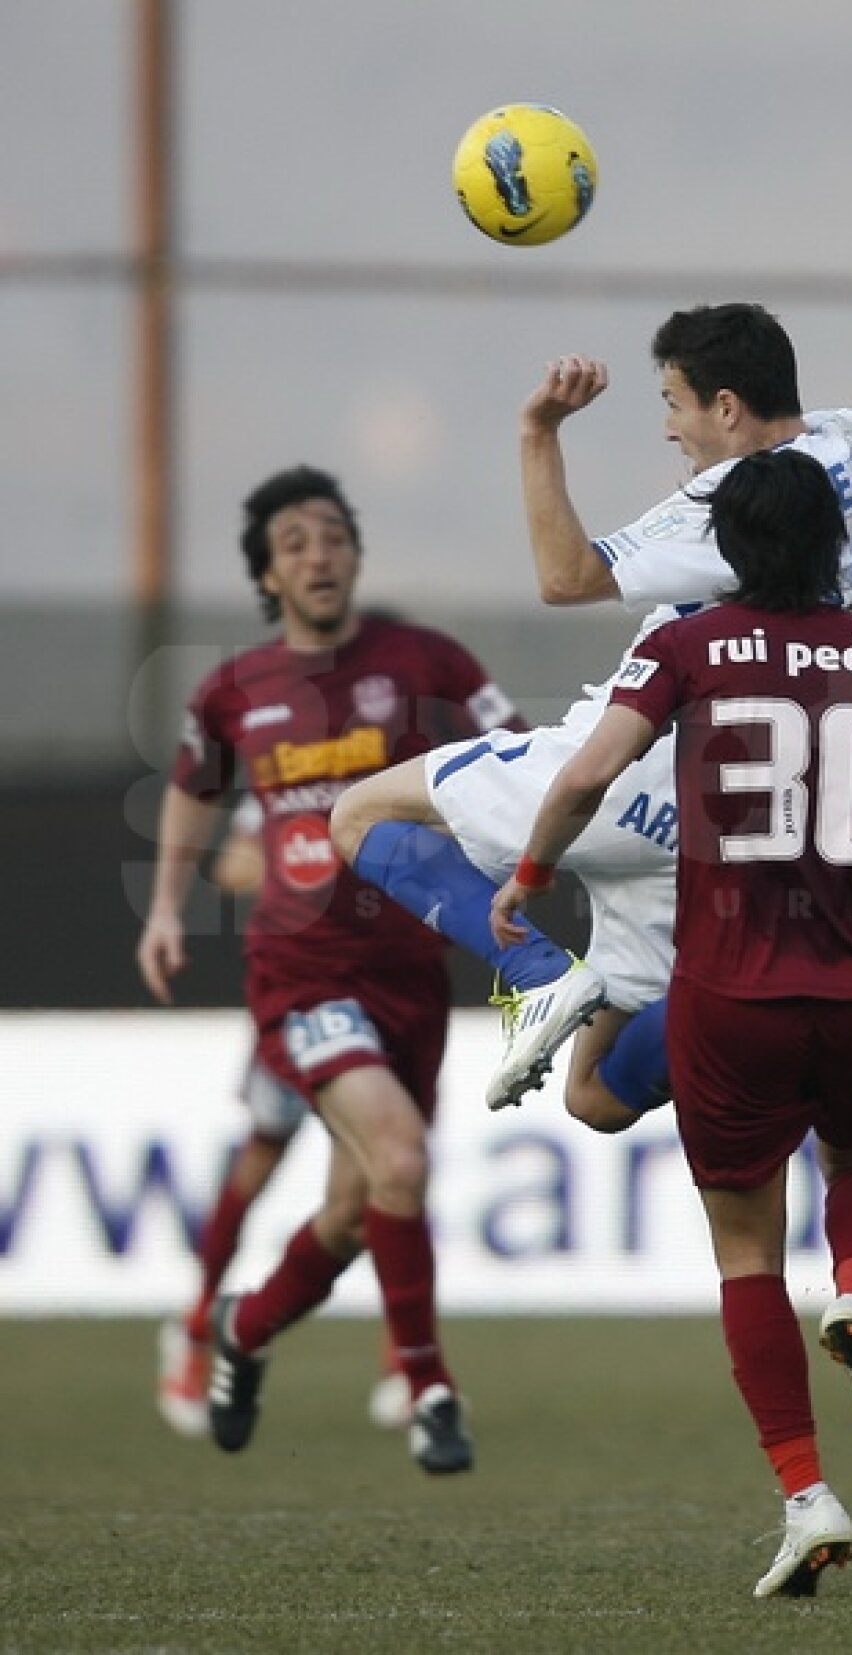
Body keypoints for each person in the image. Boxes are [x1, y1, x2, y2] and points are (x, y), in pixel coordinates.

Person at [488, 448, 852, 1599]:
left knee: (746, 1250)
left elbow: (590, 773)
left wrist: (535, 870)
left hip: (734, 990)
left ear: (733, 549)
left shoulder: (685, 646)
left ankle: (806, 1494)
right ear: (832, 547)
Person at [331, 303, 852, 1121]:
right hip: (713, 810)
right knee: (595, 1094)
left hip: (630, 766)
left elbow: (565, 576)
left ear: (726, 407)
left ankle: (537, 974)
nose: (668, 427)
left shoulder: (719, 505)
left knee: (357, 813)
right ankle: (779, 1041)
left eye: (673, 403)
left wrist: (539, 430)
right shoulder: (844, 444)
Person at [136, 464, 522, 1473]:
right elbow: (190, 789)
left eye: (334, 535)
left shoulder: (422, 657)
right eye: (296, 541)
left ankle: (244, 1328)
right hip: (301, 972)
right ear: (268, 572)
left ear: (356, 554)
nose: (319, 553)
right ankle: (431, 1386)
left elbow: (519, 751)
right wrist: (169, 905)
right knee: (397, 1159)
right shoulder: (234, 688)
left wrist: (520, 848)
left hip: (409, 972)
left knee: (356, 1207)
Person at [155, 795, 412, 1437]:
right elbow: (232, 868)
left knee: (386, 1173)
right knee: (262, 1158)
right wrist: (313, 871)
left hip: (376, 999)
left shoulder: (394, 773)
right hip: (302, 1001)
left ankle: (405, 1359)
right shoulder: (284, 775)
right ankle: (196, 1326)